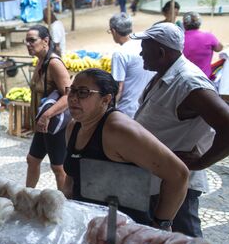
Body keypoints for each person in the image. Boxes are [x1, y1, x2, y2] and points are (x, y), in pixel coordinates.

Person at [132, 23, 229, 237]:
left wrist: (201, 162)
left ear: (161, 52)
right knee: (165, 243)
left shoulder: (188, 83)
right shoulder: (164, 74)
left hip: (175, 184)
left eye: (144, 48)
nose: (140, 53)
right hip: (155, 178)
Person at [63, 68, 189, 227]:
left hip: (125, 233)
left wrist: (161, 224)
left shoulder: (118, 130)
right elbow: (72, 178)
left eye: (83, 92)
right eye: (72, 91)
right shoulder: (74, 127)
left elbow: (178, 174)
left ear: (105, 99)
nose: (73, 98)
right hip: (87, 226)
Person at [25, 25, 71, 190]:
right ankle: (27, 195)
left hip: (53, 124)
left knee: (58, 167)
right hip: (42, 124)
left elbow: (69, 96)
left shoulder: (54, 63)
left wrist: (46, 115)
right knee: (32, 159)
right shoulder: (40, 62)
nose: (28, 44)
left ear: (45, 41)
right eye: (27, 40)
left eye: (32, 40)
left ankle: (64, 204)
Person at [108, 13, 155, 118]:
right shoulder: (144, 43)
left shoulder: (120, 54)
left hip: (128, 110)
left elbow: (118, 87)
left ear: (114, 31)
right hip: (148, 106)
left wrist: (109, 111)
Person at [182, 11, 224, 78]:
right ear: (199, 23)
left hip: (184, 78)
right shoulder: (208, 36)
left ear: (184, 24)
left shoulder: (179, 38)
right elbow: (219, 48)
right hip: (204, 78)